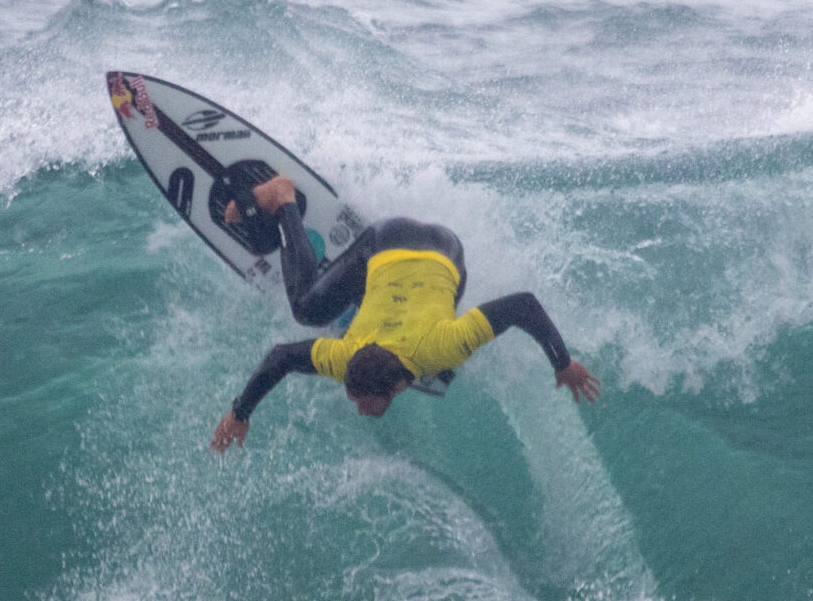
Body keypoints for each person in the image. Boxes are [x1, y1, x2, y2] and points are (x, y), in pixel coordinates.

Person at [210, 174, 600, 450]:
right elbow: (281, 357)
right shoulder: (432, 349)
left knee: (316, 310)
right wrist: (239, 413)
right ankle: (290, 210)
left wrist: (562, 365)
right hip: (415, 246)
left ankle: (291, 209)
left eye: (359, 401)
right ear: (398, 386)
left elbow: (524, 305)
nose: (360, 410)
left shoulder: (377, 353)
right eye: (361, 400)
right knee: (311, 309)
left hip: (420, 243)